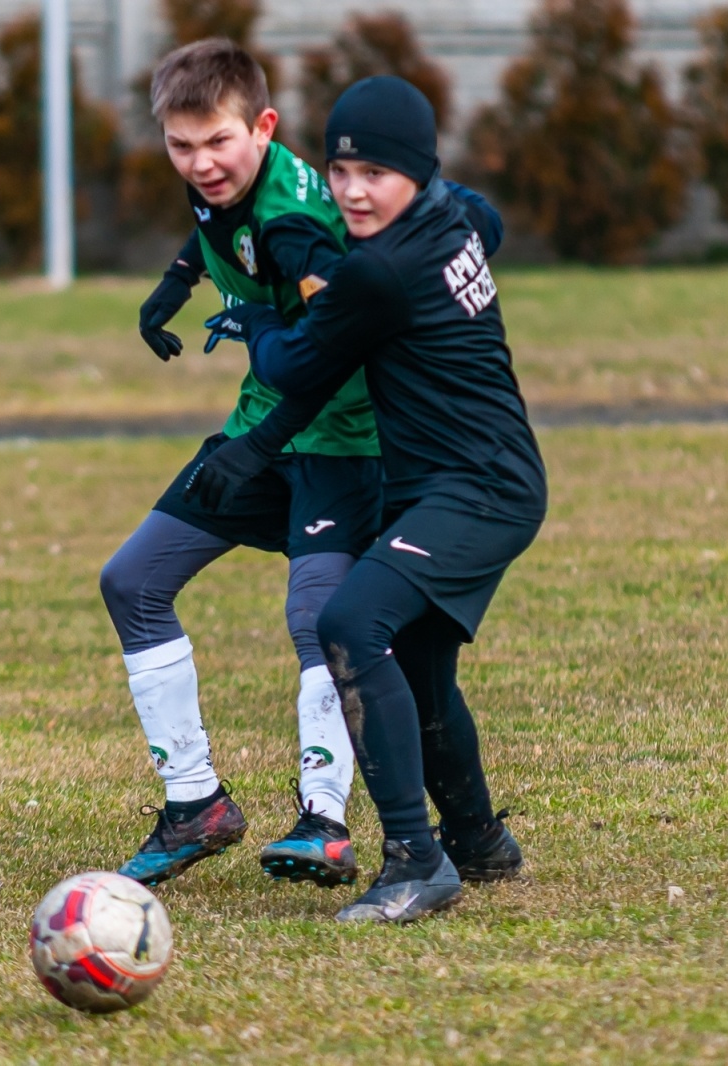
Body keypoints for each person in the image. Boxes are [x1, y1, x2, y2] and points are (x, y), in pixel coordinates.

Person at [186, 76, 545, 924]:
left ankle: (417, 860)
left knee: (350, 622)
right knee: (418, 665)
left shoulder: (380, 270)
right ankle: (479, 841)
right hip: (457, 481)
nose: (351, 191)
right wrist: (258, 449)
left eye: (375, 174)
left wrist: (254, 318)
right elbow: (487, 221)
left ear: (417, 172)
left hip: (480, 489)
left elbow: (293, 365)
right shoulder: (453, 213)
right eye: (341, 170)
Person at [102, 38, 375, 890]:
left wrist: (257, 448)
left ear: (264, 127)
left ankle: (325, 821)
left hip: (345, 443)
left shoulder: (299, 228)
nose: (201, 164)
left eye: (218, 142)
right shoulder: (221, 182)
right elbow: (218, 224)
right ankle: (197, 806)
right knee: (132, 582)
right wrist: (176, 281)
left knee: (318, 619)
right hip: (263, 425)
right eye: (180, 146)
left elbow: (332, 351)